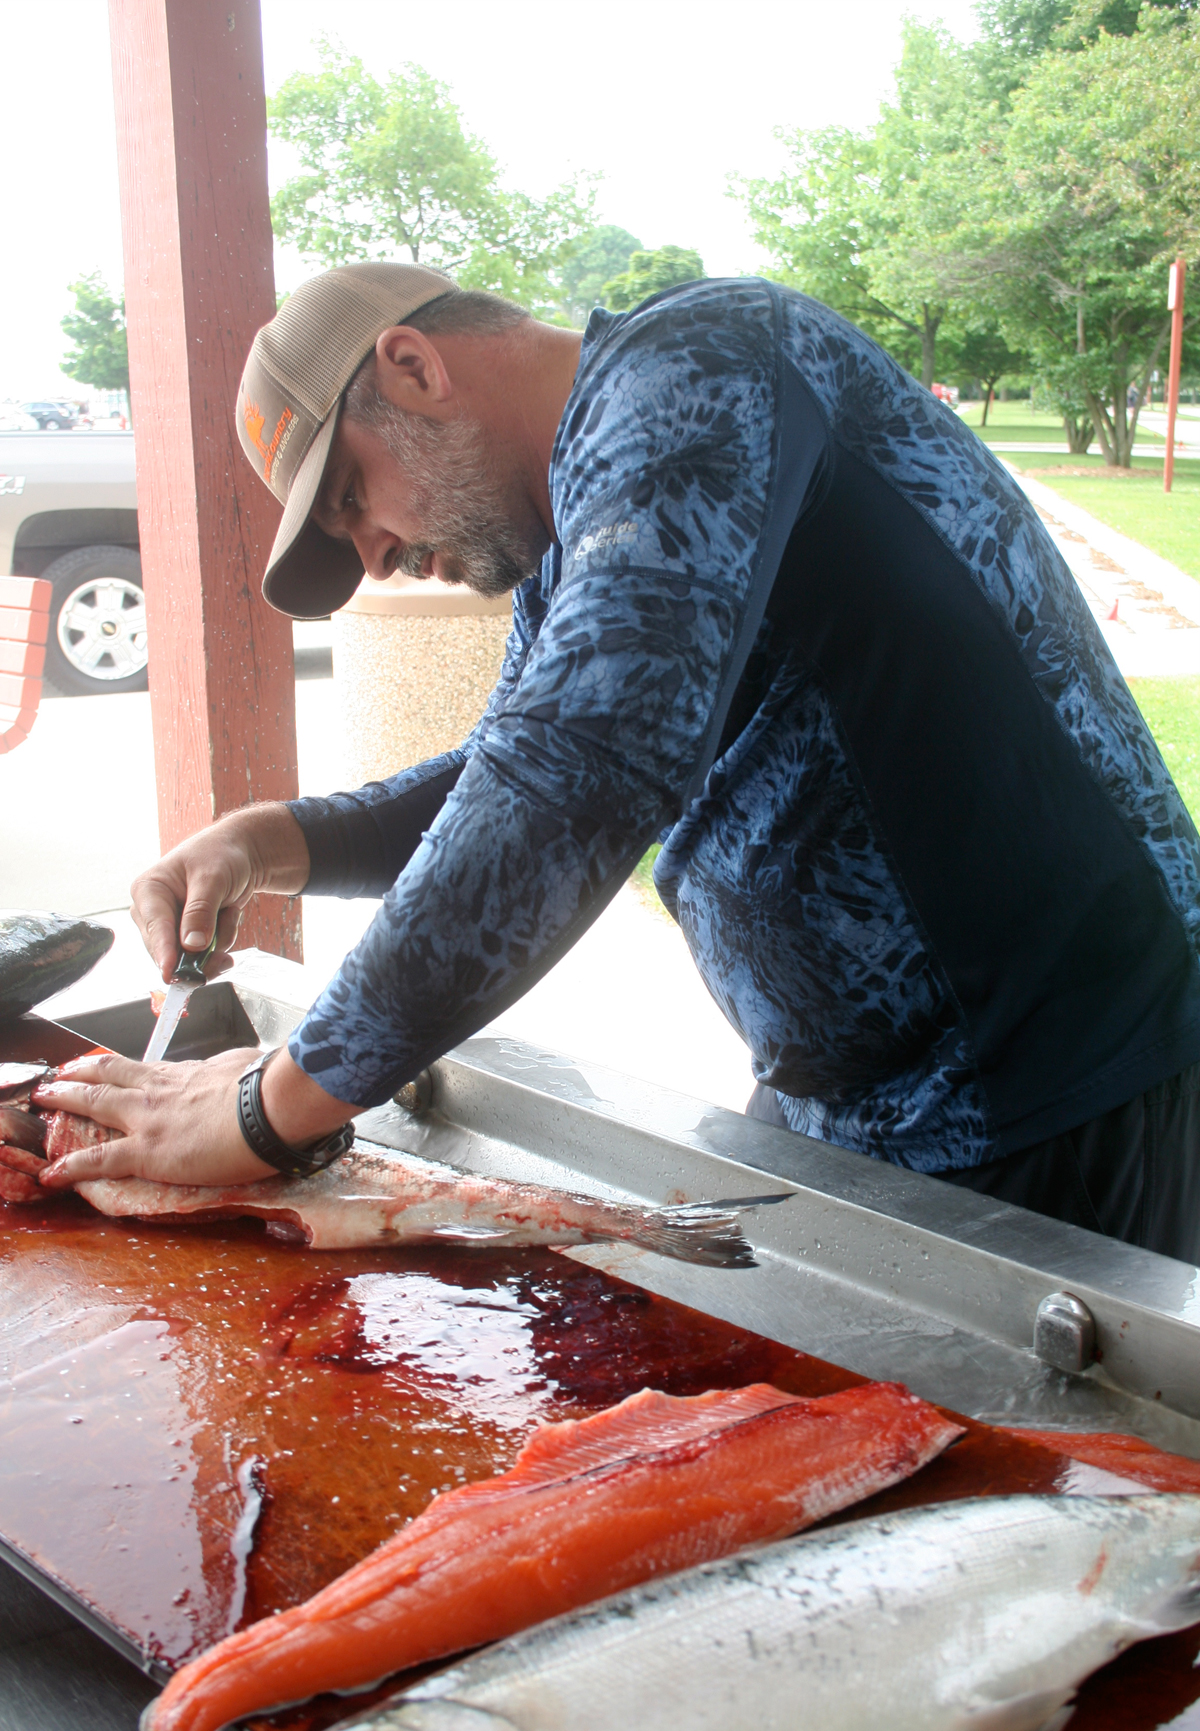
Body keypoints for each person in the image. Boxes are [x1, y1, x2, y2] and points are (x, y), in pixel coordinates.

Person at [40, 262, 1200, 1259]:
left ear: (413, 366)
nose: (376, 558)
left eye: (352, 497)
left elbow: (582, 772)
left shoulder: (701, 367)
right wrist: (279, 839)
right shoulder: (575, 530)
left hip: (1061, 1075)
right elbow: (511, 774)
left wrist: (267, 1107)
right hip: (858, 1109)